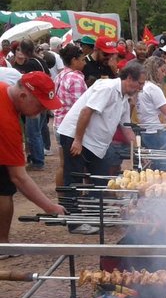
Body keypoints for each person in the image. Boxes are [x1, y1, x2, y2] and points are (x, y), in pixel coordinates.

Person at [57, 62, 144, 226]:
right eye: (139, 83)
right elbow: (86, 111)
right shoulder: (108, 88)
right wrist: (77, 140)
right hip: (76, 136)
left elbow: (126, 129)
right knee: (74, 178)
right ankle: (74, 222)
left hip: (96, 144)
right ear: (129, 78)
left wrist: (139, 151)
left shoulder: (125, 99)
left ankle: (96, 214)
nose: (140, 88)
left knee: (101, 178)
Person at [0, 72, 66, 247]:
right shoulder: (6, 123)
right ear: (23, 95)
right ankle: (2, 244)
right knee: (4, 188)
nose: (43, 110)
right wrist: (50, 207)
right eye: (41, 105)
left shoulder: (4, 89)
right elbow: (19, 177)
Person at [12, 39, 51, 171]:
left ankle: (38, 161)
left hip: (35, 102)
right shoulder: (41, 60)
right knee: (37, 132)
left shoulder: (30, 63)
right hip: (44, 100)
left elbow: (26, 84)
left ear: (23, 50)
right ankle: (38, 159)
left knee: (33, 133)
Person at [53, 44, 87, 190]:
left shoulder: (60, 75)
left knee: (63, 165)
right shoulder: (75, 78)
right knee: (75, 168)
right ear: (74, 60)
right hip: (72, 128)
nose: (85, 63)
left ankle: (64, 199)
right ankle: (74, 199)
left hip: (58, 123)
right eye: (82, 59)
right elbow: (81, 107)